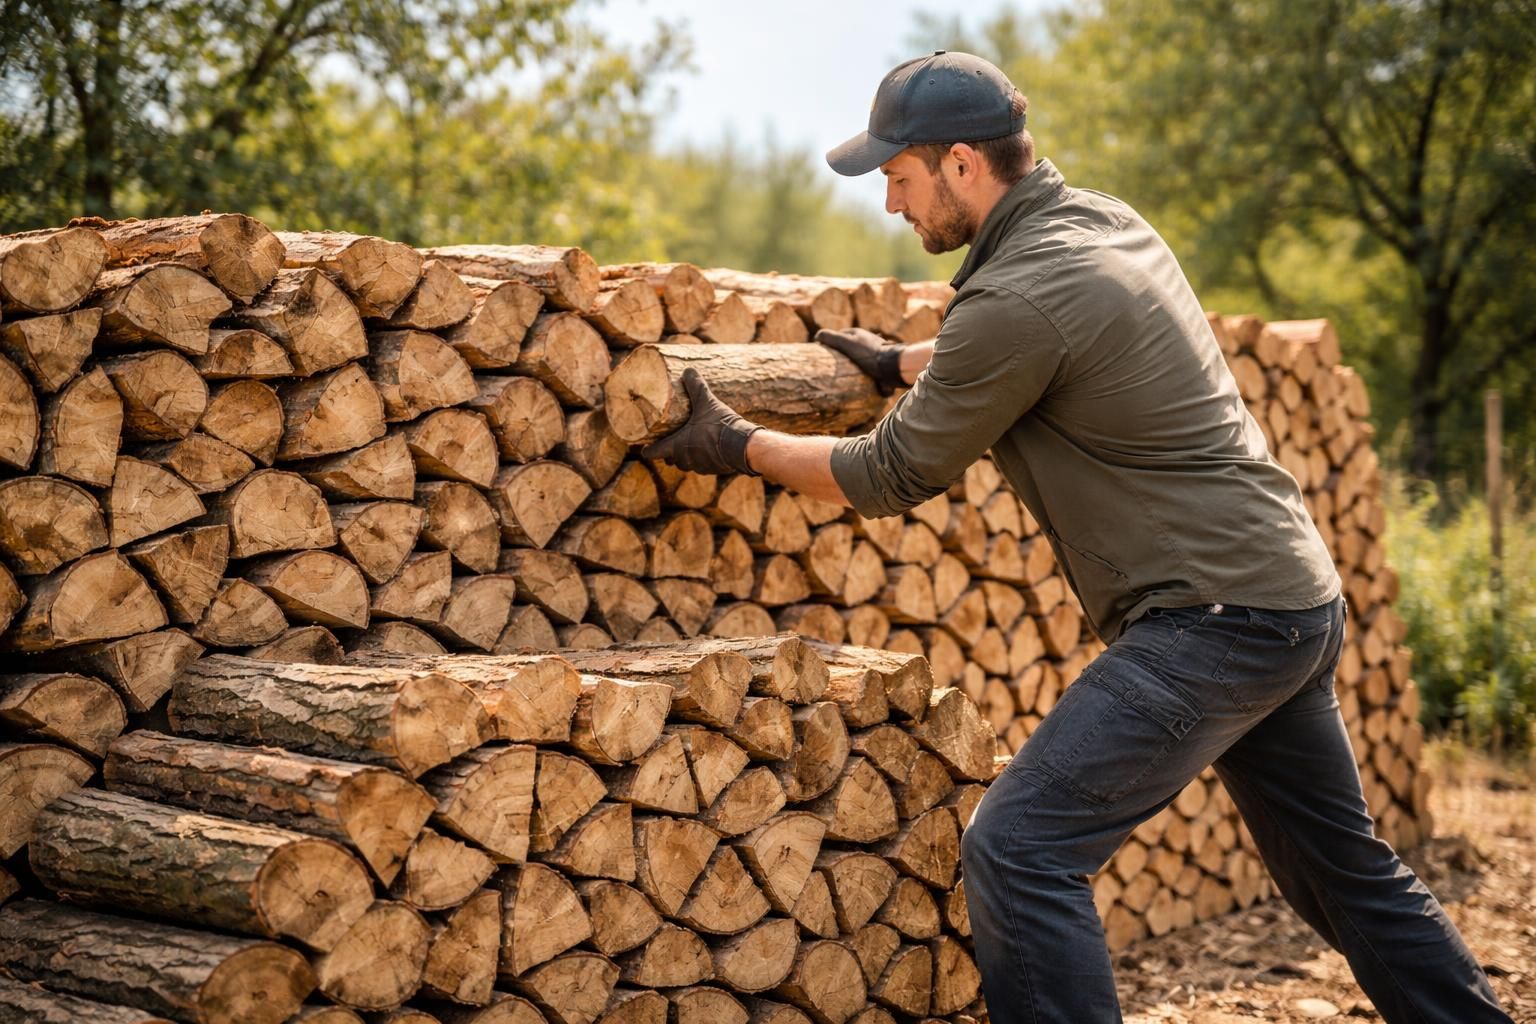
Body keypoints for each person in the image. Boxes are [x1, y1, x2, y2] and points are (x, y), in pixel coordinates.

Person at [641, 50, 1510, 1024]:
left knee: (1021, 848)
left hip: (1213, 621)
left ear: (962, 163)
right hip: (1290, 596)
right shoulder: (1101, 224)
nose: (892, 205)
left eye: (898, 177)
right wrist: (901, 359)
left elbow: (892, 472)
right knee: (1342, 871)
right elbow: (1034, 339)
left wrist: (737, 442)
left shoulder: (1015, 297)